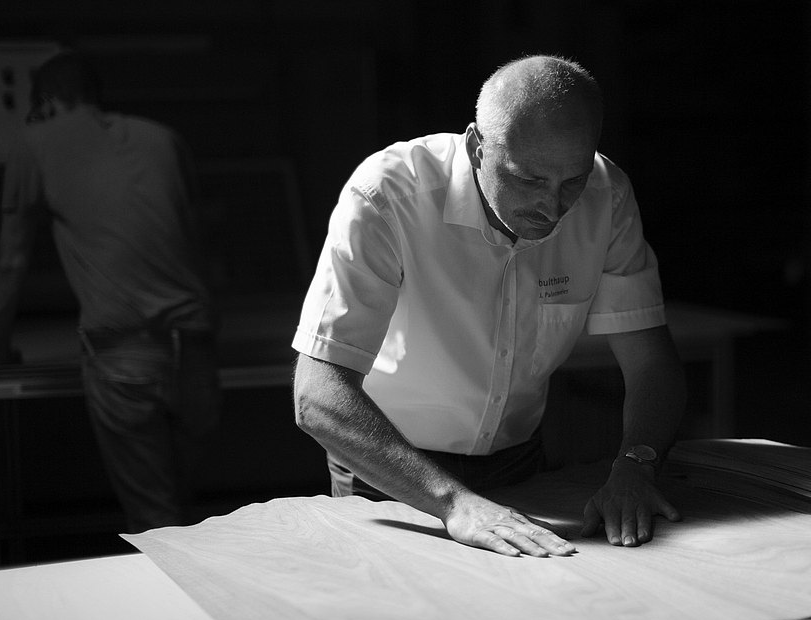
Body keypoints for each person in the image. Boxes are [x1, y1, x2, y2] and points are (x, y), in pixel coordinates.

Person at [292, 55, 687, 557]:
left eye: (573, 180)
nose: (553, 206)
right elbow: (318, 396)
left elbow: (651, 361)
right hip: (387, 469)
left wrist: (636, 464)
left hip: (519, 465)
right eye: (529, 180)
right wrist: (455, 503)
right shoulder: (388, 194)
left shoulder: (606, 196)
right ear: (477, 147)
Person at [0, 51, 220, 533]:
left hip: (125, 355)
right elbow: (194, 244)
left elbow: (11, 263)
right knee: (189, 511)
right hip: (196, 352)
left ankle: (165, 606)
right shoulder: (164, 139)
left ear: (46, 103)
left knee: (156, 521)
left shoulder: (36, 141)